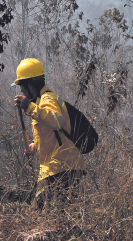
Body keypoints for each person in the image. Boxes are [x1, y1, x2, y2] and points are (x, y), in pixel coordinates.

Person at [12, 58, 85, 208]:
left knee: (38, 213)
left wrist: (30, 107)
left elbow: (56, 121)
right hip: (63, 168)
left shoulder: (48, 99)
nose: (22, 92)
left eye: (22, 88)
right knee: (65, 215)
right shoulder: (42, 102)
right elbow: (51, 134)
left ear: (30, 85)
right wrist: (34, 146)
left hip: (59, 169)